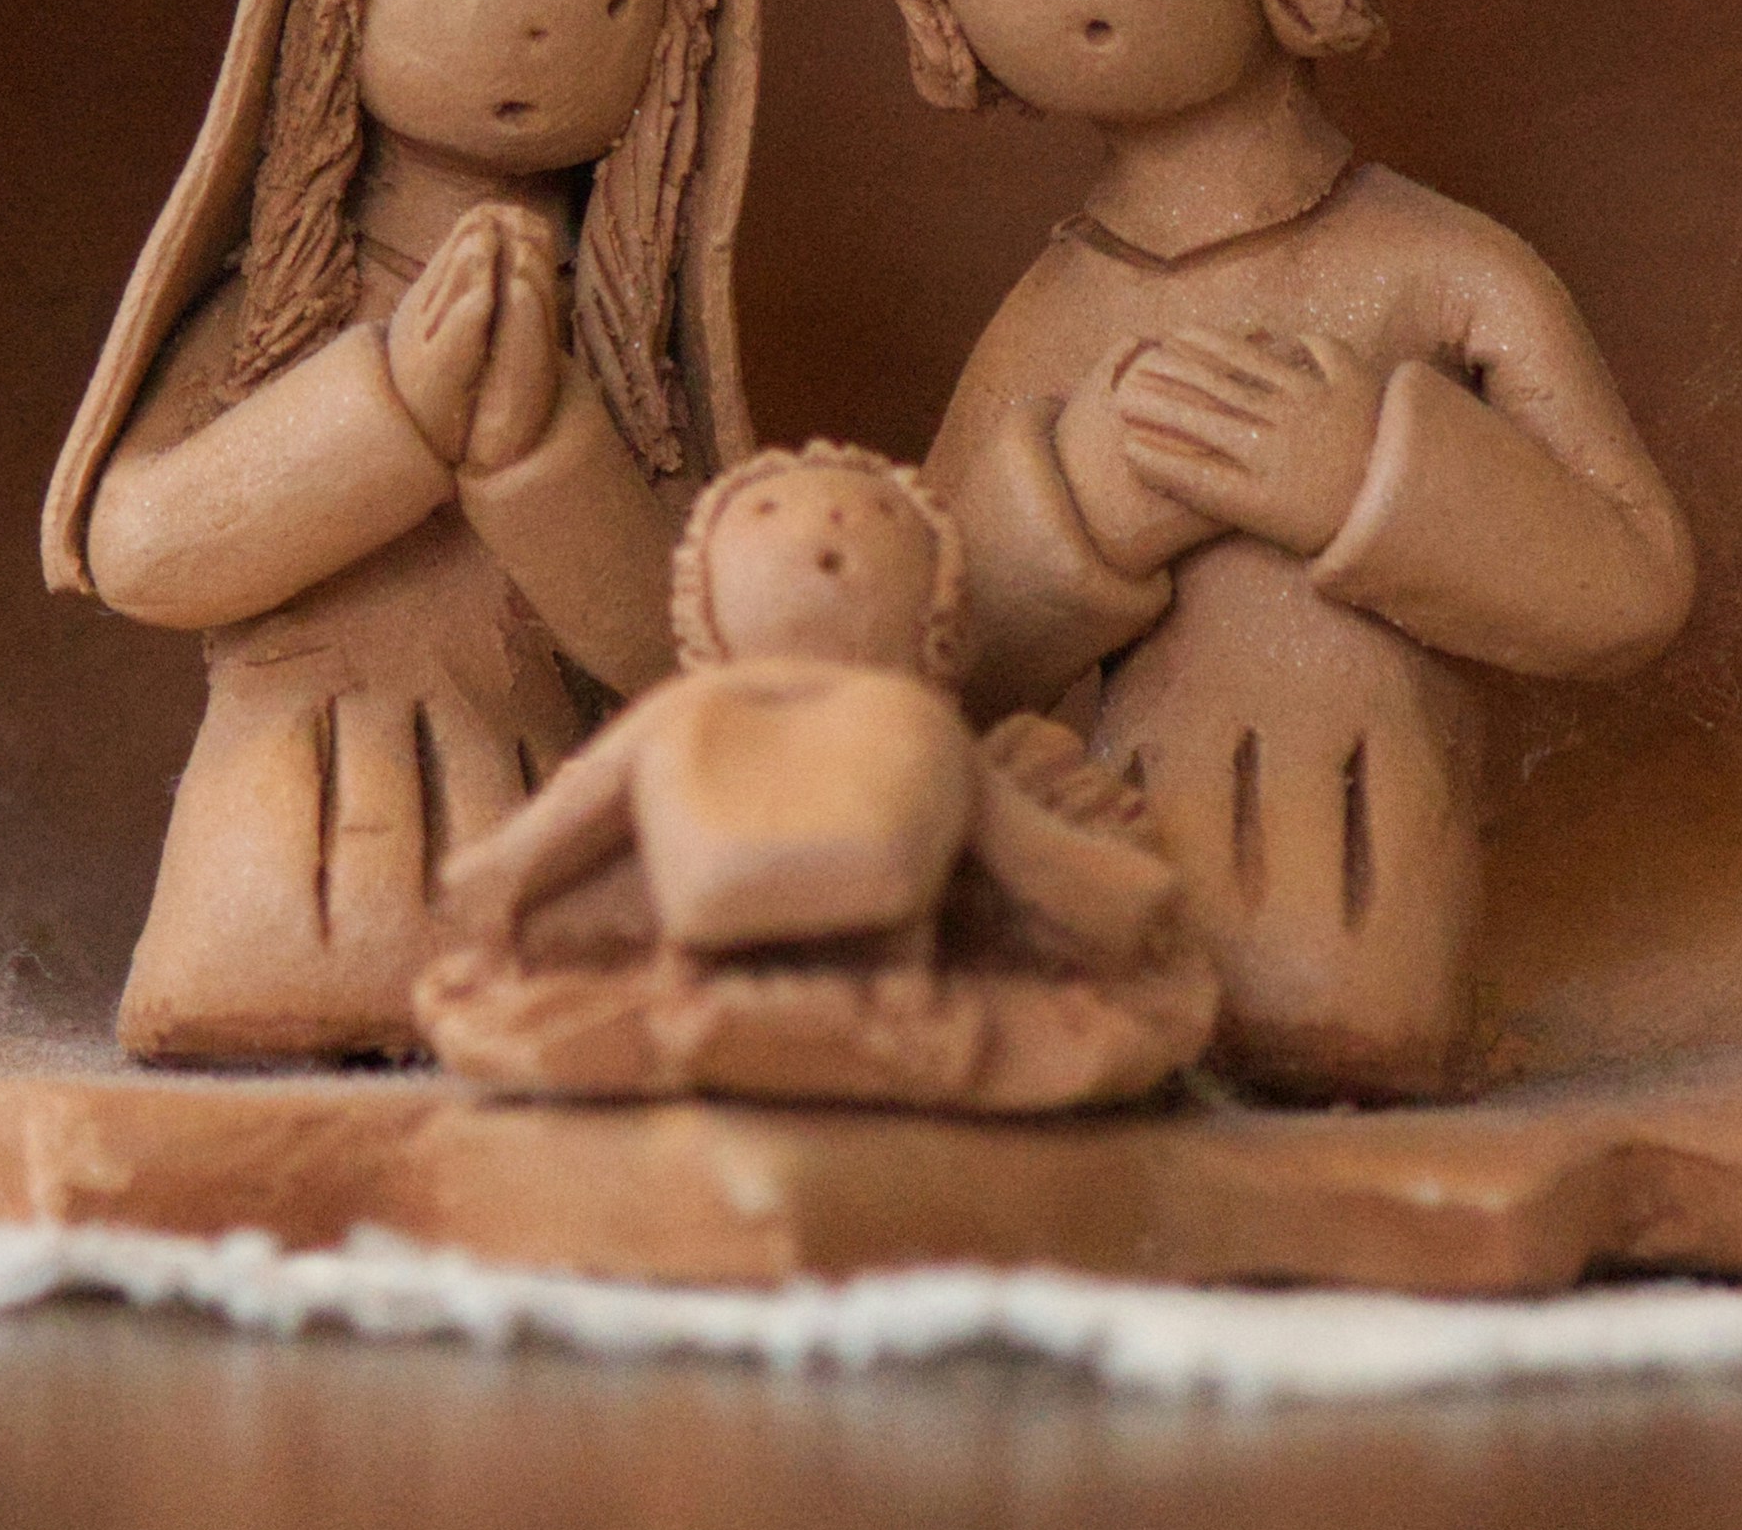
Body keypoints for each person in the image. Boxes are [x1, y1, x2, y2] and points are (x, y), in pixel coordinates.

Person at [875, 0, 1696, 1098]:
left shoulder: (1442, 271)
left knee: (1346, 1034)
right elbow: (914, 652)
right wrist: (1077, 510)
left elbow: (1631, 585)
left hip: (1367, 914)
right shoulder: (1052, 316)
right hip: (1120, 916)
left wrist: (1366, 477)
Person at [43, 0, 761, 1062]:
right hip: (289, 829)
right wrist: (389, 409)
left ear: (673, 62)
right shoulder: (286, 308)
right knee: (283, 980)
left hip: (540, 835)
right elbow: (139, 547)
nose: (530, 36)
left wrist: (537, 450)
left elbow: (682, 648)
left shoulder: (616, 348)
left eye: (606, 9)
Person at [415, 443, 1208, 1112]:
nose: (824, 530)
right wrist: (493, 884)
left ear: (936, 617)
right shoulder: (683, 716)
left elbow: (1023, 845)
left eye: (876, 517)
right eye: (765, 514)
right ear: (703, 607)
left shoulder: (921, 728)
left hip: (883, 958)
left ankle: (871, 987)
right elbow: (566, 824)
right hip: (723, 942)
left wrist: (1120, 905)